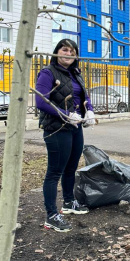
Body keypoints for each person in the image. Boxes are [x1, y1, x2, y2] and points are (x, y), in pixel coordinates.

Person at [35, 39, 96, 232]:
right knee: (54, 171)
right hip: (57, 128)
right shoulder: (48, 73)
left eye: (72, 51)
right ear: (57, 52)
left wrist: (90, 111)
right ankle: (51, 215)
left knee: (71, 167)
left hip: (75, 127)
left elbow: (84, 97)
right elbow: (41, 101)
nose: (68, 54)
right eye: (64, 49)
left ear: (76, 55)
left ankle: (69, 203)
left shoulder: (76, 73)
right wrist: (66, 114)